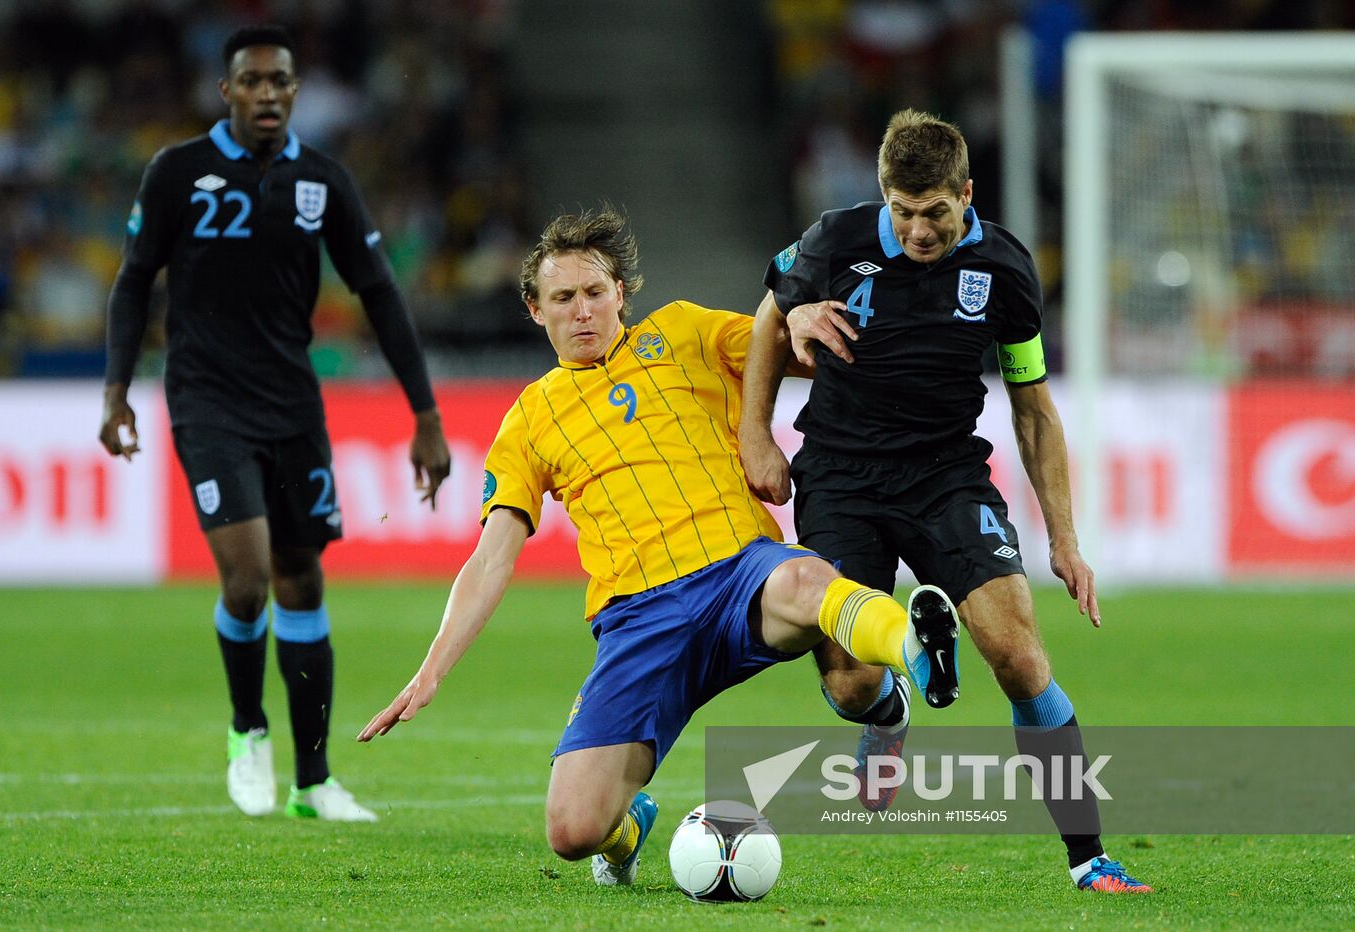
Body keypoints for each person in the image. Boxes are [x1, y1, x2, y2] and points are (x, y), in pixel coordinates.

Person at [357, 207, 962, 885]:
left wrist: (801, 320)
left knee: (809, 585)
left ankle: (914, 652)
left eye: (595, 292)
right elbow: (493, 555)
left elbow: (788, 347)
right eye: (563, 298)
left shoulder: (684, 332)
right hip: (638, 621)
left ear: (621, 292)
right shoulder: (528, 418)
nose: (582, 310)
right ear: (534, 310)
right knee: (573, 831)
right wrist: (432, 669)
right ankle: (627, 828)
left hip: (741, 574)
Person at [739, 108, 1152, 894]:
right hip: (841, 477)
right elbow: (768, 318)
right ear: (883, 196)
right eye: (903, 210)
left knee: (1020, 655)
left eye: (935, 212)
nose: (919, 230)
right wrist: (757, 439)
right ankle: (888, 711)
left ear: (967, 193)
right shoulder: (837, 241)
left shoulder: (1005, 269)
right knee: (849, 684)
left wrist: (1064, 538)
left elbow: (1032, 405)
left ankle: (1089, 857)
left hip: (946, 476)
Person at [98, 25, 451, 822]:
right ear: (226, 91)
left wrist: (425, 413)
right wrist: (117, 388)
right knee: (249, 576)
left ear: (295, 91)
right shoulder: (178, 173)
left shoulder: (323, 181)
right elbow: (131, 282)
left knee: (302, 576)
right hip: (205, 400)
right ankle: (246, 729)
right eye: (252, 81)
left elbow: (379, 291)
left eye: (281, 81)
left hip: (292, 405)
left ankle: (314, 781)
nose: (267, 93)